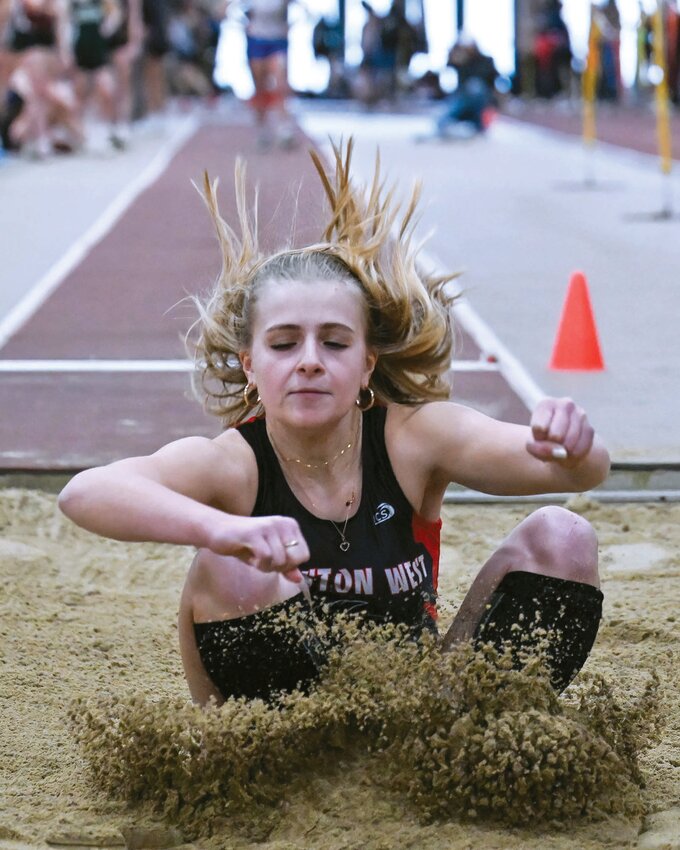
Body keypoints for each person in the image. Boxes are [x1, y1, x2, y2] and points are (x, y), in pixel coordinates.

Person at [58, 140, 610, 707]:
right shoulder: (232, 464)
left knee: (564, 536)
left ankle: (486, 751)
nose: (310, 360)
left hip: (418, 721)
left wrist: (570, 444)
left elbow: (583, 473)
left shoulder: (413, 440)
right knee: (228, 565)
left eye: (335, 341)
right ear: (251, 365)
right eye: (284, 342)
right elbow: (83, 494)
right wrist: (223, 531)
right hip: (286, 732)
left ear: (367, 362)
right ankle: (283, 766)